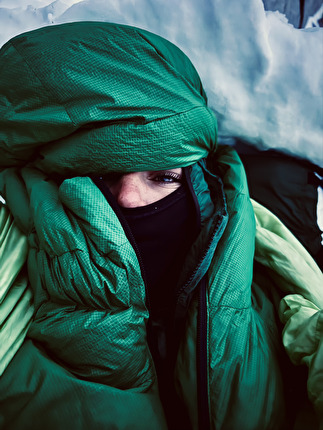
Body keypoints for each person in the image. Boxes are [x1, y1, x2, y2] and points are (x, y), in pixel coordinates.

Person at [0, 21, 322, 430]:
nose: (130, 199)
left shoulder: (276, 294)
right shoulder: (10, 296)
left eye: (164, 177)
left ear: (197, 187)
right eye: (101, 176)